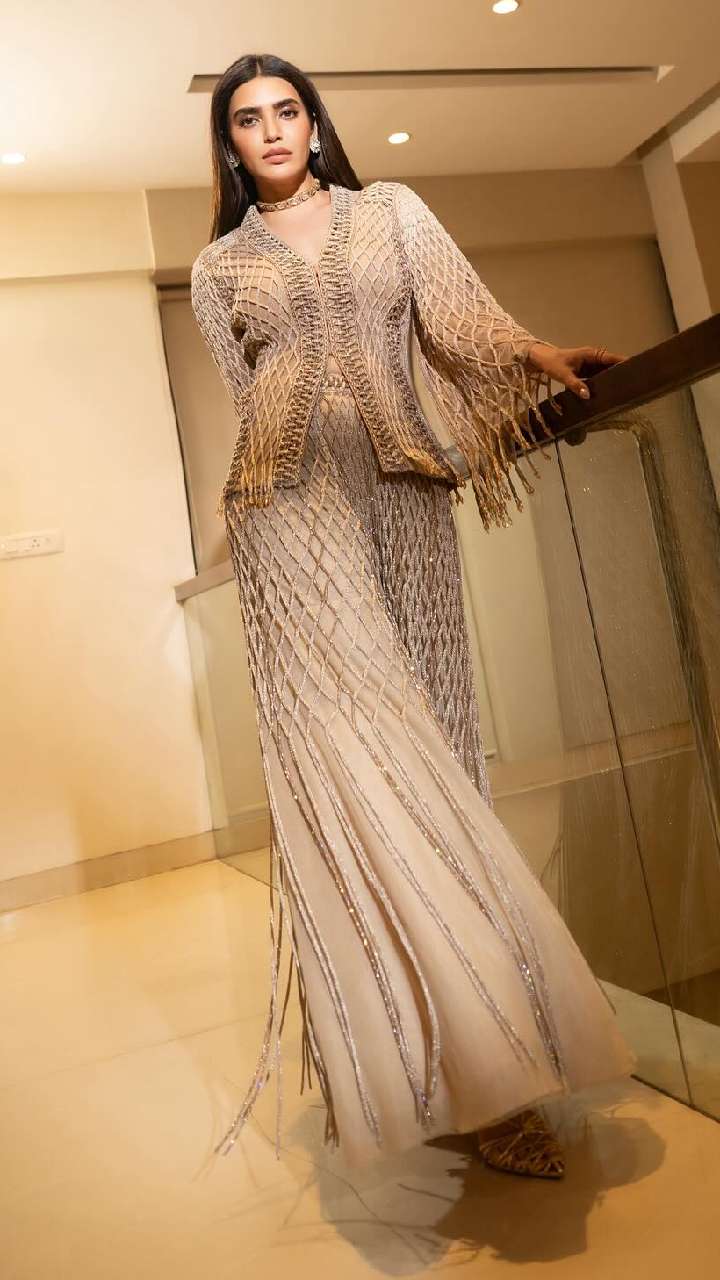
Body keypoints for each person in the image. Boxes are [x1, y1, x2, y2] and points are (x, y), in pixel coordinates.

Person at [190, 52, 636, 1177]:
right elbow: (248, 397)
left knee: (437, 746)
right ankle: (450, 1072)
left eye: (287, 110)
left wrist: (536, 354)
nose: (271, 130)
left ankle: (494, 1051)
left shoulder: (391, 210)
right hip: (286, 515)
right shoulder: (217, 266)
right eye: (247, 119)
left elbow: (458, 323)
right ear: (229, 144)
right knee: (362, 759)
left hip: (406, 492)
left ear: (314, 122)